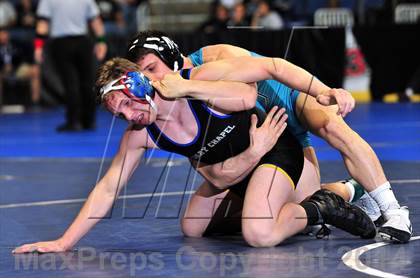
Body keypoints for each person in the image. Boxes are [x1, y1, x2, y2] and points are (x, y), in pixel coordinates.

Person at [12, 55, 375, 253]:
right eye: (118, 113)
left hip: (272, 150)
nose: (128, 116)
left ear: (140, 83)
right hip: (238, 169)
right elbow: (108, 188)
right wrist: (64, 242)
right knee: (194, 227)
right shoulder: (141, 133)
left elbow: (249, 96)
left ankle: (320, 207)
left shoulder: (195, 80)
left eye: (126, 104)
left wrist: (187, 87)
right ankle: (332, 193)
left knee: (259, 234)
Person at [126, 31, 413, 243]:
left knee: (331, 126)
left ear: (172, 60)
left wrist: (323, 91)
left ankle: (393, 211)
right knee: (296, 200)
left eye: (151, 69)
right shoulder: (175, 93)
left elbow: (272, 71)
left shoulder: (213, 60)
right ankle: (350, 189)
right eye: (143, 74)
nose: (149, 80)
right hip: (265, 135)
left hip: (285, 101)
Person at [34, 0, 107, 131]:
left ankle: (73, 121)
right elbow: (96, 21)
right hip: (83, 41)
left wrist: (38, 47)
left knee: (70, 82)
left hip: (61, 43)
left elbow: (42, 24)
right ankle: (89, 120)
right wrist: (101, 41)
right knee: (86, 81)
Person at [0, 26, 40, 107]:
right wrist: (3, 68)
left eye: (4, 34)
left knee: (35, 71)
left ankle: (35, 103)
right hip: (2, 72)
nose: (3, 36)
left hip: (17, 69)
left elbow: (26, 56)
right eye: (0, 34)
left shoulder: (17, 44)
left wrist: (15, 65)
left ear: (8, 34)